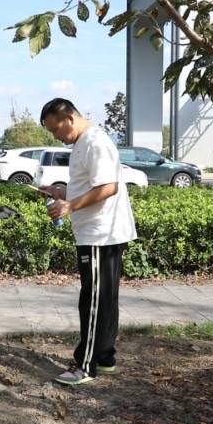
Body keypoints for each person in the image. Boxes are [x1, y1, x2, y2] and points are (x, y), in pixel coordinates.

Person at [39, 98, 138, 385]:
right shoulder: (83, 143)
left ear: (69, 118)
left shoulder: (95, 142)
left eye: (55, 129)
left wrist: (69, 206)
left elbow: (108, 187)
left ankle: (85, 365)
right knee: (104, 298)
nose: (56, 136)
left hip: (101, 234)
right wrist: (61, 192)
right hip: (98, 233)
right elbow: (89, 185)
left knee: (93, 301)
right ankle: (104, 357)